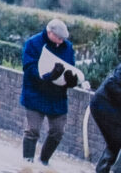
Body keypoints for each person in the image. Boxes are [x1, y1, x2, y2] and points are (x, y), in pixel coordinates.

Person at [19, 18, 83, 163]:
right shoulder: (33, 43)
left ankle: (44, 161)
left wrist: (71, 80)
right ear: (49, 32)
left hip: (57, 96)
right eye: (59, 38)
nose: (61, 41)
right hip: (35, 93)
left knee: (58, 131)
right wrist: (48, 76)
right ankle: (27, 162)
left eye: (63, 39)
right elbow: (29, 69)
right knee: (33, 130)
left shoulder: (67, 47)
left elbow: (71, 67)